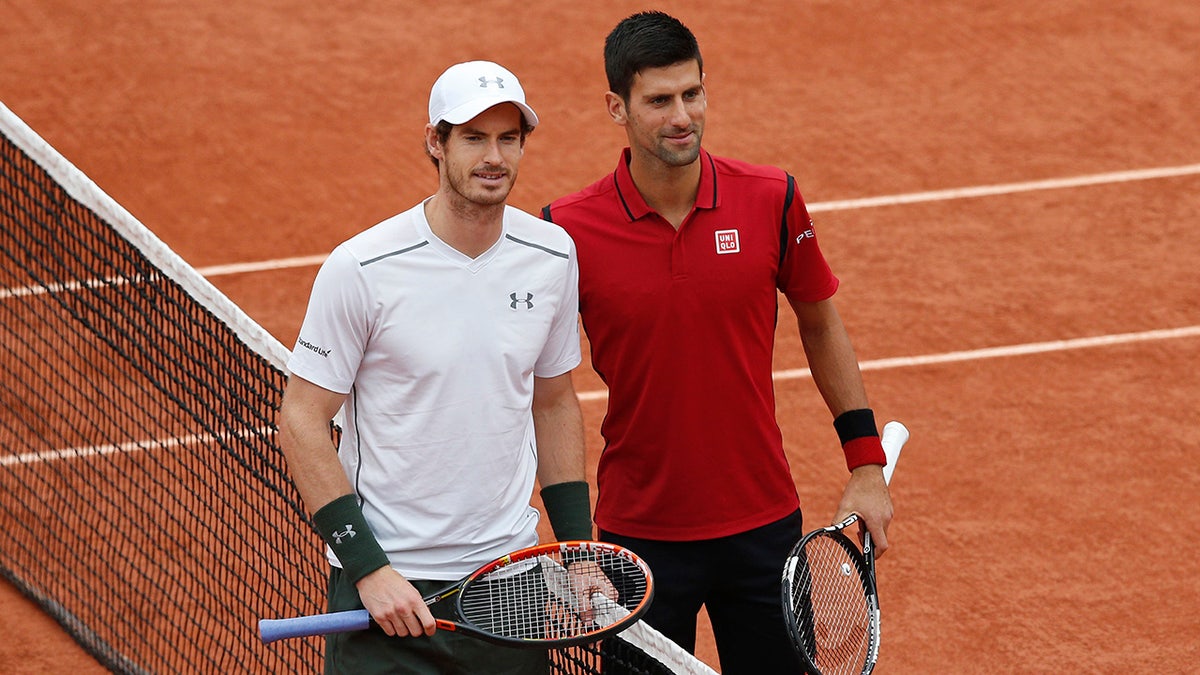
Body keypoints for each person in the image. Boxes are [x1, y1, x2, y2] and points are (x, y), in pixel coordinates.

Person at [540, 12, 895, 674]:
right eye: (658, 100)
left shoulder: (771, 197)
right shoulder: (565, 232)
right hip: (638, 538)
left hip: (763, 528)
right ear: (616, 106)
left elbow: (821, 323)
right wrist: (576, 543)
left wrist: (866, 462)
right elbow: (548, 394)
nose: (681, 116)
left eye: (692, 94)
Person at [279, 60, 592, 675]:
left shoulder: (552, 257)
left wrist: (579, 551)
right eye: (473, 138)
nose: (493, 156)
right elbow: (302, 418)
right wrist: (368, 568)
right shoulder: (362, 268)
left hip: (510, 584)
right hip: (391, 587)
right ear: (436, 142)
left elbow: (554, 401)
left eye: (508, 138)